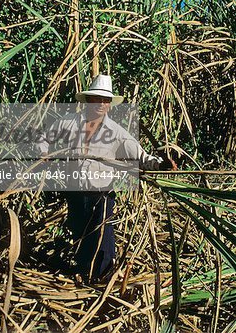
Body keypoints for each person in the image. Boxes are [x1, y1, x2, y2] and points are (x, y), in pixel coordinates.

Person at [39, 74, 176, 282]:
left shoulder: (116, 133)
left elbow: (142, 157)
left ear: (110, 104)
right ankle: (85, 274)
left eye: (106, 100)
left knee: (102, 238)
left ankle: (103, 279)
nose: (102, 104)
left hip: (100, 193)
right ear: (88, 100)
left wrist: (161, 165)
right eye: (97, 99)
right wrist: (43, 156)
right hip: (74, 191)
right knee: (80, 232)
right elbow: (44, 139)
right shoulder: (68, 123)